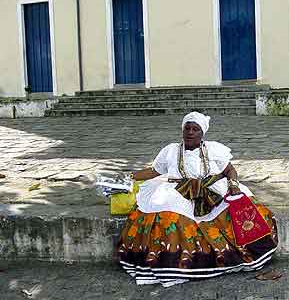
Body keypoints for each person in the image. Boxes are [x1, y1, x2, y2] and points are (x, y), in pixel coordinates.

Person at [117, 111, 278, 287]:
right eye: (188, 128)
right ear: (182, 130)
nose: (190, 132)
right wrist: (130, 176)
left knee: (242, 204)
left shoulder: (213, 149)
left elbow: (229, 170)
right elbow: (155, 171)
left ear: (202, 133)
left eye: (195, 129)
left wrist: (233, 185)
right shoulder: (171, 150)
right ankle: (172, 263)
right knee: (165, 209)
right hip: (178, 189)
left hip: (211, 188)